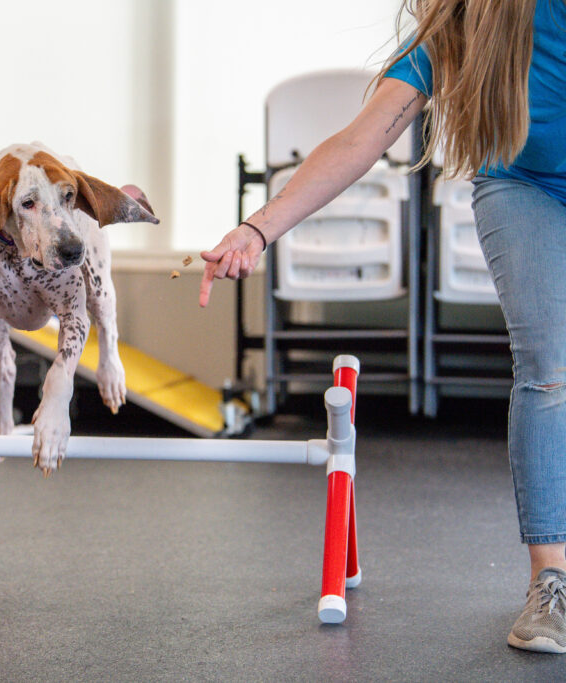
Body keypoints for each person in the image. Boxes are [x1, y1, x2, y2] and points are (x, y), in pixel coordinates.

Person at [199, 0, 566, 653]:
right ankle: (552, 582)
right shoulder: (464, 22)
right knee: (549, 365)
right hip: (523, 186)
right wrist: (257, 230)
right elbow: (359, 140)